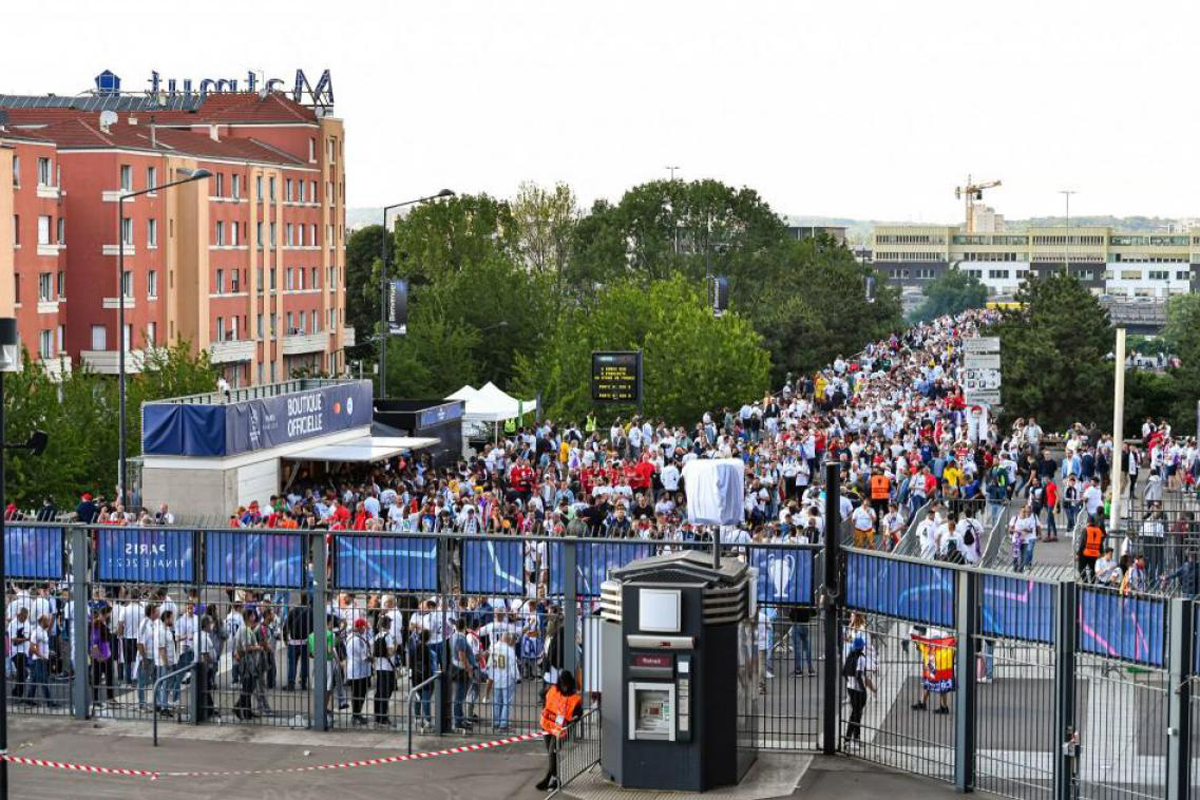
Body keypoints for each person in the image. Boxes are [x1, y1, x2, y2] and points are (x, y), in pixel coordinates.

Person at [536, 670, 582, 792]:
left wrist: (574, 719)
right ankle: (556, 780)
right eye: (562, 684)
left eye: (566, 684)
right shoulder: (553, 690)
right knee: (552, 755)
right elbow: (542, 694)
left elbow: (578, 714)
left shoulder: (574, 698)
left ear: (570, 684)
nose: (564, 687)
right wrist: (544, 705)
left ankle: (547, 778)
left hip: (561, 731)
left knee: (552, 752)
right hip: (547, 727)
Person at [842, 636, 876, 749]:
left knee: (855, 714)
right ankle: (852, 740)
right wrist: (863, 691)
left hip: (850, 688)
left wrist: (850, 684)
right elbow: (859, 675)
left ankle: (852, 739)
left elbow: (844, 673)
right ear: (862, 647)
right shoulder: (861, 658)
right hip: (858, 689)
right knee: (857, 715)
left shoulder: (850, 656)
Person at [487, 632, 521, 731]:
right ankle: (503, 724)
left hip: (496, 678)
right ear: (508, 639)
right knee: (507, 702)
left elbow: (490, 664)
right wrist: (517, 678)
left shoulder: (493, 648)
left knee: (497, 702)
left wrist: (491, 677)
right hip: (507, 679)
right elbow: (513, 667)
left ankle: (496, 722)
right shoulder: (509, 650)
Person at [372, 616, 397, 727]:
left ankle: (378, 715)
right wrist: (396, 646)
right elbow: (390, 652)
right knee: (387, 691)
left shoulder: (377, 636)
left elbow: (373, 652)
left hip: (379, 666)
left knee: (379, 691)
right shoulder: (388, 637)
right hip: (387, 667)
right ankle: (383, 716)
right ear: (388, 624)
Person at [1078, 517, 1106, 582]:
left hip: (1085, 553)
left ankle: (1086, 582)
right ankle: (1092, 584)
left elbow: (1082, 543)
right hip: (1095, 554)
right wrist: (1101, 553)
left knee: (1081, 568)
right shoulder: (1099, 531)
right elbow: (1100, 543)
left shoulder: (1086, 530)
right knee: (1093, 569)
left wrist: (1078, 553)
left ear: (1087, 522)